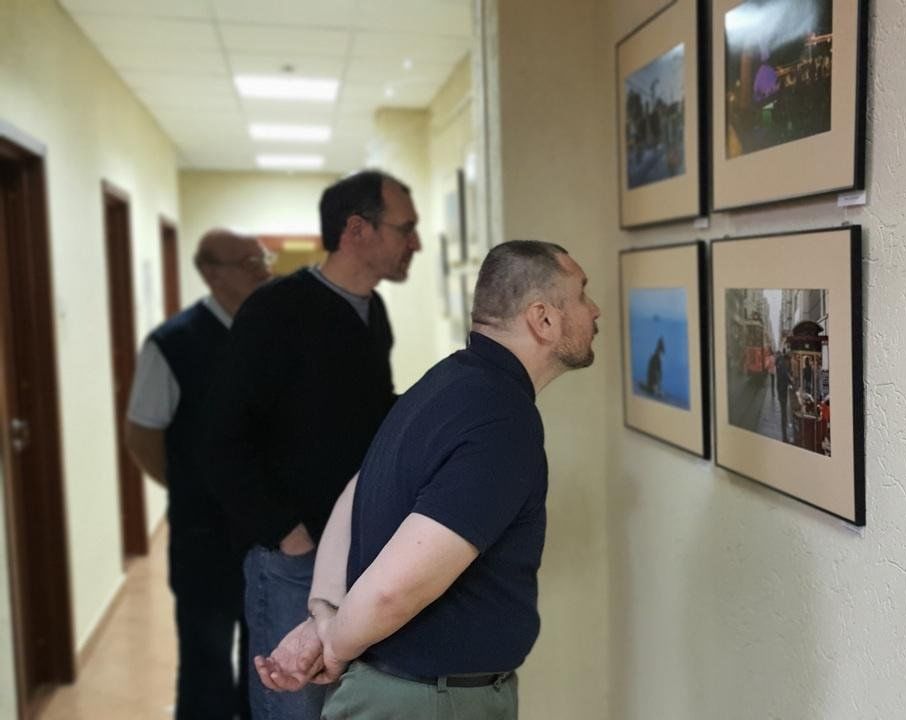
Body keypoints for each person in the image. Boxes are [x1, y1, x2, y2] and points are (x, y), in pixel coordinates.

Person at [254, 240, 601, 720]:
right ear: (542, 319)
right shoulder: (502, 420)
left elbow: (356, 492)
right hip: (429, 703)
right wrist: (333, 641)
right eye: (583, 294)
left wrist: (324, 614)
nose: (595, 309)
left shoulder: (443, 383)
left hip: (397, 690)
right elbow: (397, 590)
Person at [203, 169, 421, 720]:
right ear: (357, 230)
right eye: (406, 229)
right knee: (291, 704)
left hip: (351, 552)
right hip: (291, 562)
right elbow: (221, 439)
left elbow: (356, 411)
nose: (415, 243)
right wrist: (288, 535)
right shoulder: (275, 313)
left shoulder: (372, 312)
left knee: (333, 700)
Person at [123, 228, 271, 720]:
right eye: (249, 263)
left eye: (262, 259)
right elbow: (143, 437)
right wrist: (190, 487)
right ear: (211, 273)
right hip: (202, 534)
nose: (263, 270)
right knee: (206, 660)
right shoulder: (172, 345)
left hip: (269, 529)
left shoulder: (275, 330)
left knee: (266, 657)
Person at [774, 348, 791, 443]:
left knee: (783, 408)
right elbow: (785, 375)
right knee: (783, 410)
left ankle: (784, 423)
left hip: (780, 389)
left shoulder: (779, 364)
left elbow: (782, 376)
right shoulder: (783, 365)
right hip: (782, 390)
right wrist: (791, 381)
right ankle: (784, 433)